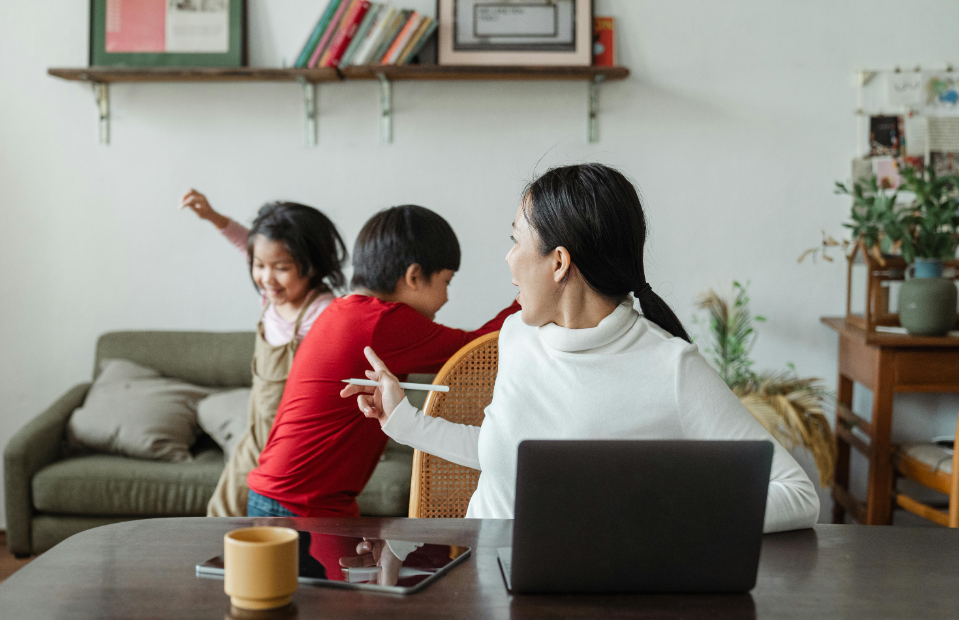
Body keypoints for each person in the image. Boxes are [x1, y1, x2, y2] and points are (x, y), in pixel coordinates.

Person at [342, 164, 820, 534]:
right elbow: (504, 455)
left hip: (592, 599)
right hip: (483, 584)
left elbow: (797, 494)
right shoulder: (517, 336)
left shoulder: (671, 368)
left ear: (559, 262)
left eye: (515, 240)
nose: (508, 259)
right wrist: (403, 421)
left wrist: (658, 512)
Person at [245, 205, 521, 518]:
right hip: (298, 505)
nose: (445, 298)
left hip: (287, 496)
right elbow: (475, 353)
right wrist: (529, 292)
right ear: (414, 276)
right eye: (447, 282)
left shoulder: (345, 311)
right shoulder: (380, 322)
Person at [179, 189, 348, 517]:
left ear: (312, 265)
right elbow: (250, 245)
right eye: (259, 266)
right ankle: (222, 564)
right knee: (223, 509)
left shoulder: (321, 313)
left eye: (282, 268)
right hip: (256, 429)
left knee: (255, 515)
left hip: (289, 440)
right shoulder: (273, 298)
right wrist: (215, 218)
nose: (267, 278)